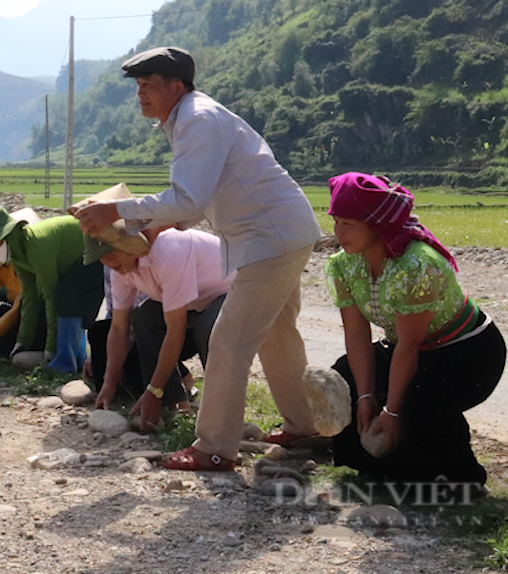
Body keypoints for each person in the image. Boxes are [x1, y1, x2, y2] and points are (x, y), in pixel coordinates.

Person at [73, 46, 325, 471]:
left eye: (149, 86)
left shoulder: (197, 119)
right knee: (277, 335)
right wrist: (150, 227)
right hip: (279, 231)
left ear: (178, 87)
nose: (141, 95)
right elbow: (193, 201)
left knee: (229, 340)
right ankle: (304, 427)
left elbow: (189, 197)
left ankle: (214, 447)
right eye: (138, 86)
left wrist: (116, 210)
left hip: (269, 236)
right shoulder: (190, 118)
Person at [325, 173, 506, 490]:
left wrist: (392, 411)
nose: (338, 233)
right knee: (344, 377)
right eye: (336, 222)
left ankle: (461, 478)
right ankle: (372, 462)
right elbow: (356, 335)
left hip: (467, 353)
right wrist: (366, 397)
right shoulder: (344, 265)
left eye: (348, 224)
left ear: (376, 225)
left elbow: (408, 345)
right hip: (409, 350)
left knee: (413, 400)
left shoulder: (416, 265)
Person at [88, 227, 236, 432]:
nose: (108, 262)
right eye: (101, 258)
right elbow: (119, 327)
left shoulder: (167, 253)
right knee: (143, 318)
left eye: (111, 254)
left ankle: (222, 413)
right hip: (194, 298)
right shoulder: (120, 270)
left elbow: (176, 329)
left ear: (129, 246)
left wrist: (153, 390)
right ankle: (173, 402)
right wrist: (109, 383)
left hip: (230, 288)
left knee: (208, 330)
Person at [0, 207, 99, 372]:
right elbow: (29, 297)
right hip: (71, 260)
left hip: (93, 253)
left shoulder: (36, 246)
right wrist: (22, 343)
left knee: (64, 298)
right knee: (54, 298)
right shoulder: (18, 254)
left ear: (7, 236)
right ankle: (78, 360)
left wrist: (50, 351)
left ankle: (64, 364)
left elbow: (50, 295)